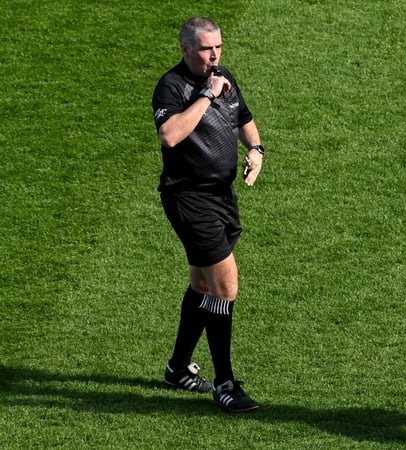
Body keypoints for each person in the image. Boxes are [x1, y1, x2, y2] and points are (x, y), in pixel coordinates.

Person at [152, 16, 266, 412]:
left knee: (203, 286)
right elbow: (170, 135)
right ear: (185, 49)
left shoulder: (225, 76)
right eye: (205, 48)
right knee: (225, 287)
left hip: (222, 197)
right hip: (189, 199)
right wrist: (206, 95)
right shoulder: (172, 86)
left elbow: (245, 121)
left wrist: (256, 151)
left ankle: (178, 368)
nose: (214, 54)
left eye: (218, 46)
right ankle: (225, 383)